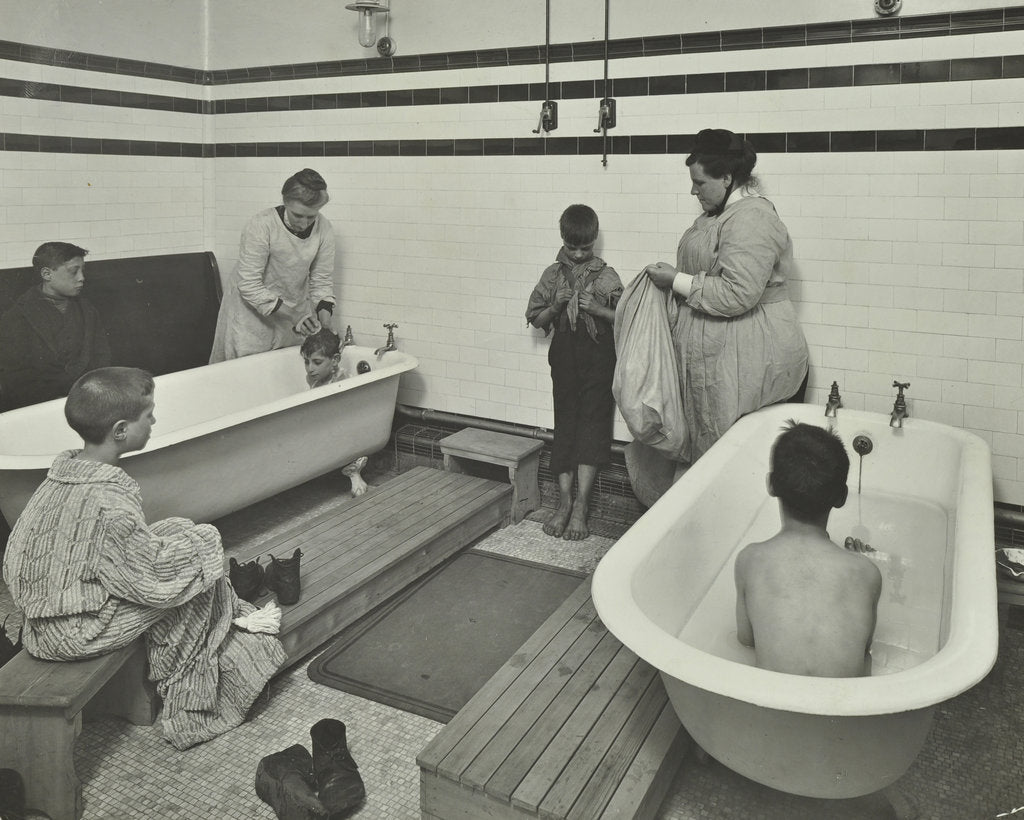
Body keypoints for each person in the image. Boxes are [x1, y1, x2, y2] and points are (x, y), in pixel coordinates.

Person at [1, 367, 287, 750]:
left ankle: (226, 606)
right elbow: (153, 582)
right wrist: (207, 544)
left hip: (45, 621)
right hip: (75, 632)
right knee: (197, 570)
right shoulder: (107, 502)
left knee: (176, 528)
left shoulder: (64, 477)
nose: (154, 420)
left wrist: (189, 540)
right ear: (120, 430)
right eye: (147, 414)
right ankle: (192, 706)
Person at [644, 128, 809, 464]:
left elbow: (737, 293)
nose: (693, 190)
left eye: (700, 183)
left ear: (728, 178)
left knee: (733, 457)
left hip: (751, 356)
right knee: (708, 449)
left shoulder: (753, 218)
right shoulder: (720, 214)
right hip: (719, 355)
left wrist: (676, 280)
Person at [734, 421, 882, 677]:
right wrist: (855, 561)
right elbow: (862, 648)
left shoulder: (749, 559)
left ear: (770, 484)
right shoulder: (866, 573)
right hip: (846, 712)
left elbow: (746, 640)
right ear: (842, 497)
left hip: (768, 707)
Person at [526, 204, 623, 540]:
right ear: (562, 240)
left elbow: (630, 319)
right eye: (572, 248)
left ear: (594, 241)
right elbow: (536, 319)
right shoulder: (552, 275)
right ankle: (563, 503)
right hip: (565, 356)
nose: (579, 254)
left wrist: (597, 308)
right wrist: (555, 305)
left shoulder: (608, 276)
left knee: (593, 428)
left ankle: (582, 506)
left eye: (586, 247)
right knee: (565, 425)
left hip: (599, 359)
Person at [210, 168, 337, 362]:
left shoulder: (324, 229)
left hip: (291, 317)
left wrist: (325, 321)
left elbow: (321, 281)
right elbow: (249, 285)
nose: (304, 224)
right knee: (246, 377)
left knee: (283, 377)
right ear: (285, 202)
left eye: (311, 217)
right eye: (297, 215)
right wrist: (294, 315)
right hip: (250, 317)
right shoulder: (261, 225)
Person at [0, 242, 111, 411]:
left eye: (83, 270)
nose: (81, 277)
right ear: (46, 274)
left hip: (88, 401)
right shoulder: (16, 317)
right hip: (40, 407)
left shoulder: (88, 310)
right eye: (74, 271)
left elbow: (102, 356)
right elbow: (16, 377)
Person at [299, 329, 368, 497]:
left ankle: (353, 471)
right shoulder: (312, 378)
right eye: (306, 362)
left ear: (335, 360)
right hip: (323, 425)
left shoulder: (341, 380)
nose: (310, 368)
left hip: (343, 428)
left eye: (317, 362)